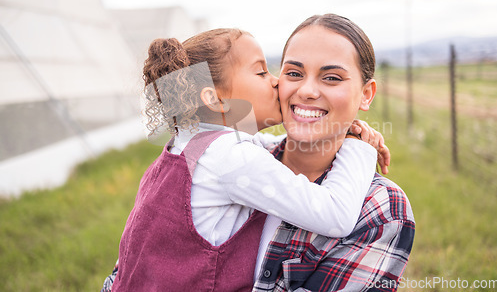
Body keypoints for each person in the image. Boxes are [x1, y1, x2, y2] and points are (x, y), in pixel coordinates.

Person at [105, 28, 390, 291]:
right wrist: (359, 147)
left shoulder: (190, 144)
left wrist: (337, 133)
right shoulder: (231, 159)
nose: (277, 81)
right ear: (216, 100)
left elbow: (259, 147)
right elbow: (335, 216)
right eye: (262, 73)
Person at [250, 14, 415, 291]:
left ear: (366, 94)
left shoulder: (381, 209)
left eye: (331, 78)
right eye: (294, 73)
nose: (307, 90)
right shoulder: (243, 157)